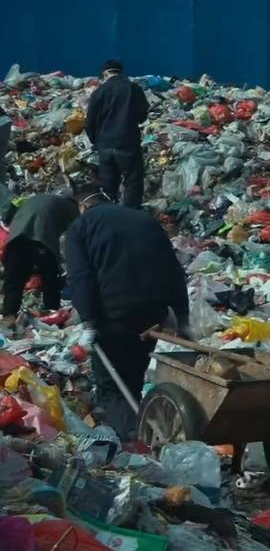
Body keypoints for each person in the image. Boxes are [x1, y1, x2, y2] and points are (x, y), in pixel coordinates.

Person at [65, 186, 191, 440]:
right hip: (152, 314)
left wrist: (89, 321)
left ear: (82, 207)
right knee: (133, 377)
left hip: (113, 316)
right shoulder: (143, 219)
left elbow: (81, 277)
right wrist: (182, 316)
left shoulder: (80, 228)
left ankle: (128, 443)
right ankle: (141, 430)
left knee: (112, 386)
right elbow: (173, 269)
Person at [1, 192, 80, 328]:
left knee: (14, 278)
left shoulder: (41, 198)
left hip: (16, 237)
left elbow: (11, 215)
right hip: (41, 237)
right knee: (50, 277)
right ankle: (52, 312)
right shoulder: (71, 208)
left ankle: (9, 316)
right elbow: (74, 237)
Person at [85, 60, 150, 208]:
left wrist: (95, 141)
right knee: (132, 180)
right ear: (120, 71)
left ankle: (108, 213)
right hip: (127, 142)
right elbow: (142, 115)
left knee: (108, 183)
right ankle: (130, 214)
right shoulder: (133, 88)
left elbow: (90, 121)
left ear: (105, 73)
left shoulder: (98, 92)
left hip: (105, 144)